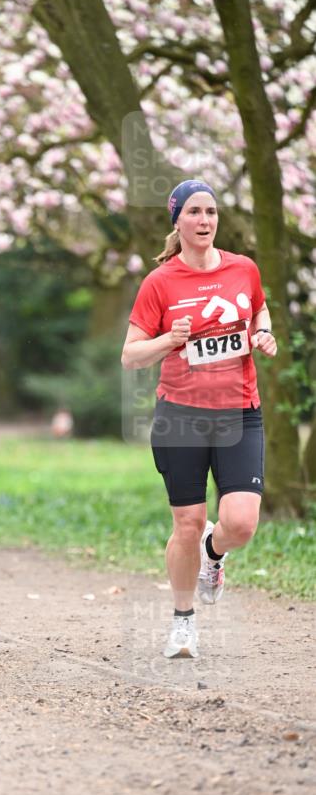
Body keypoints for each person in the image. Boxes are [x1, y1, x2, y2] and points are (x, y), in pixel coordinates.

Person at [121, 179, 277, 658]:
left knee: (241, 523)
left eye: (210, 211)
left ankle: (214, 553)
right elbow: (130, 356)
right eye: (193, 212)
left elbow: (259, 310)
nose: (204, 220)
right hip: (182, 418)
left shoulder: (243, 268)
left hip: (239, 413)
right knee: (187, 523)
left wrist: (263, 334)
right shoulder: (160, 282)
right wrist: (169, 340)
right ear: (178, 221)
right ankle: (183, 622)